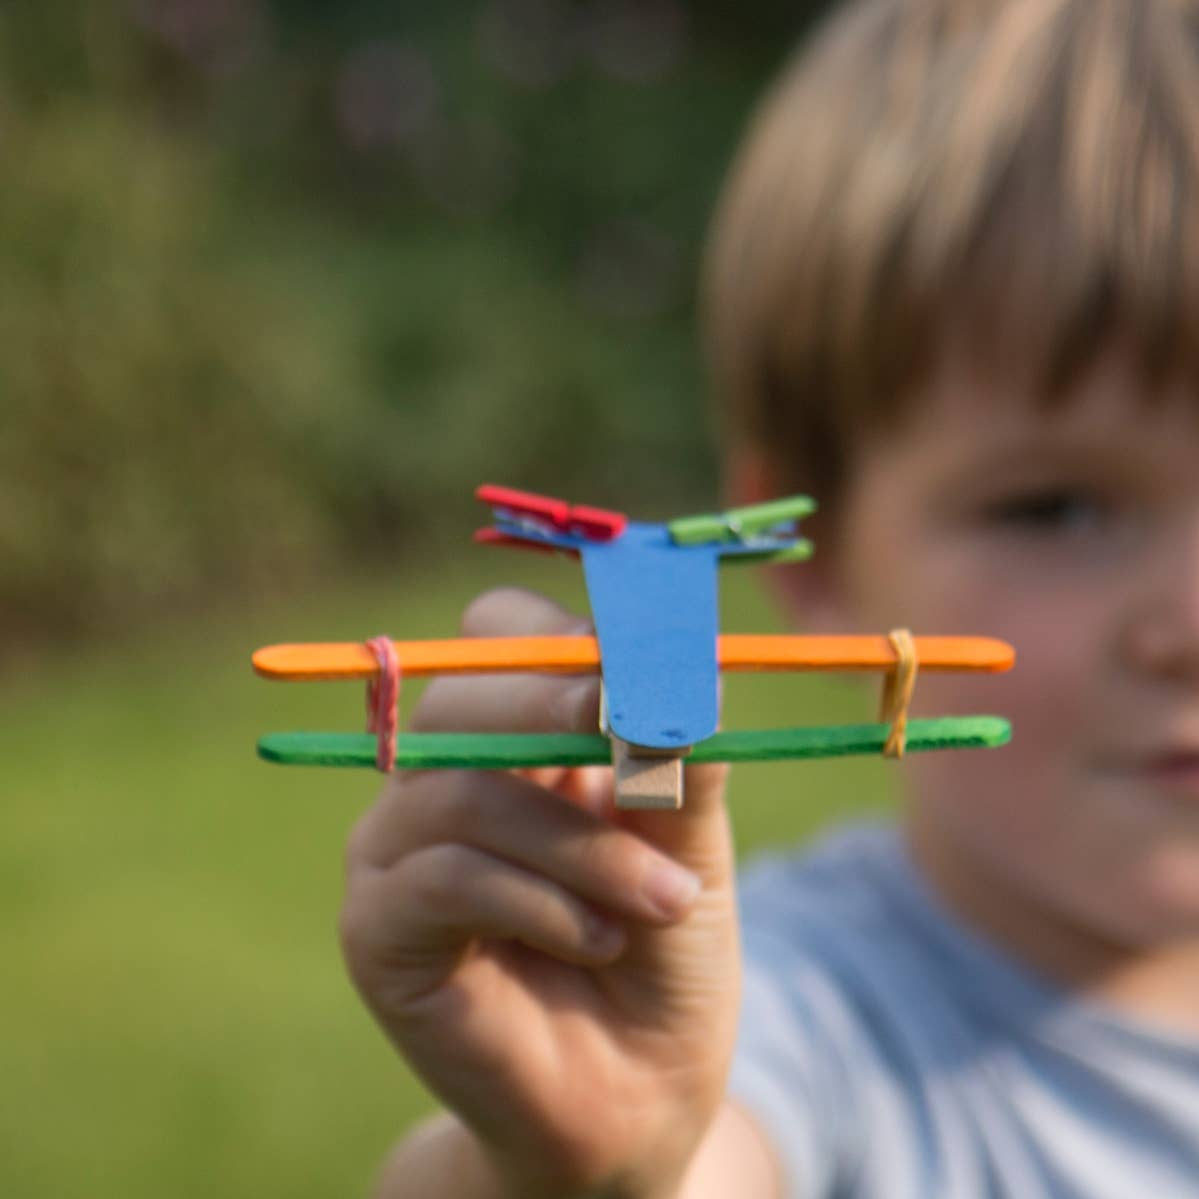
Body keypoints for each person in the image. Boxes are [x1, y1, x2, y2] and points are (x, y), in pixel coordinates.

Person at [338, 0, 1199, 1194]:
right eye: (1054, 508)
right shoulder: (791, 1003)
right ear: (815, 553)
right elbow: (702, 1150)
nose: (1186, 623)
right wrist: (595, 1160)